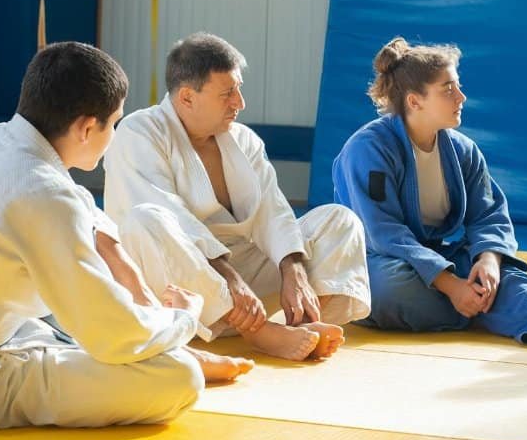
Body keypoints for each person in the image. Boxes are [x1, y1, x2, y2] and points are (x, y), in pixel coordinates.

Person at [0, 42, 252, 433]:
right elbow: (113, 334)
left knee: (59, 313)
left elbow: (87, 215)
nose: (114, 136)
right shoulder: (43, 193)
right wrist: (181, 319)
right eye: (113, 124)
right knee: (178, 377)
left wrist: (121, 263)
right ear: (87, 127)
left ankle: (158, 344)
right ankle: (170, 350)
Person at [332, 37, 527, 353]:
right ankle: (491, 312)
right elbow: (384, 234)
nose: (461, 97)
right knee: (386, 289)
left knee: (496, 277)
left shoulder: (462, 151)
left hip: (435, 258)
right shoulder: (368, 150)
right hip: (379, 260)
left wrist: (488, 260)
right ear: (415, 101)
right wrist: (452, 286)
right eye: (448, 89)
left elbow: (488, 214)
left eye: (458, 86)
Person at [103, 33, 371, 362]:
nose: (239, 102)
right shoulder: (139, 132)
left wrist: (293, 271)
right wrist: (230, 282)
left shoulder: (243, 140)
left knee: (339, 220)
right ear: (187, 97)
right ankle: (259, 332)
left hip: (244, 280)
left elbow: (273, 211)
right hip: (179, 287)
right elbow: (166, 216)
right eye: (228, 93)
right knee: (147, 219)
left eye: (238, 89)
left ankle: (305, 320)